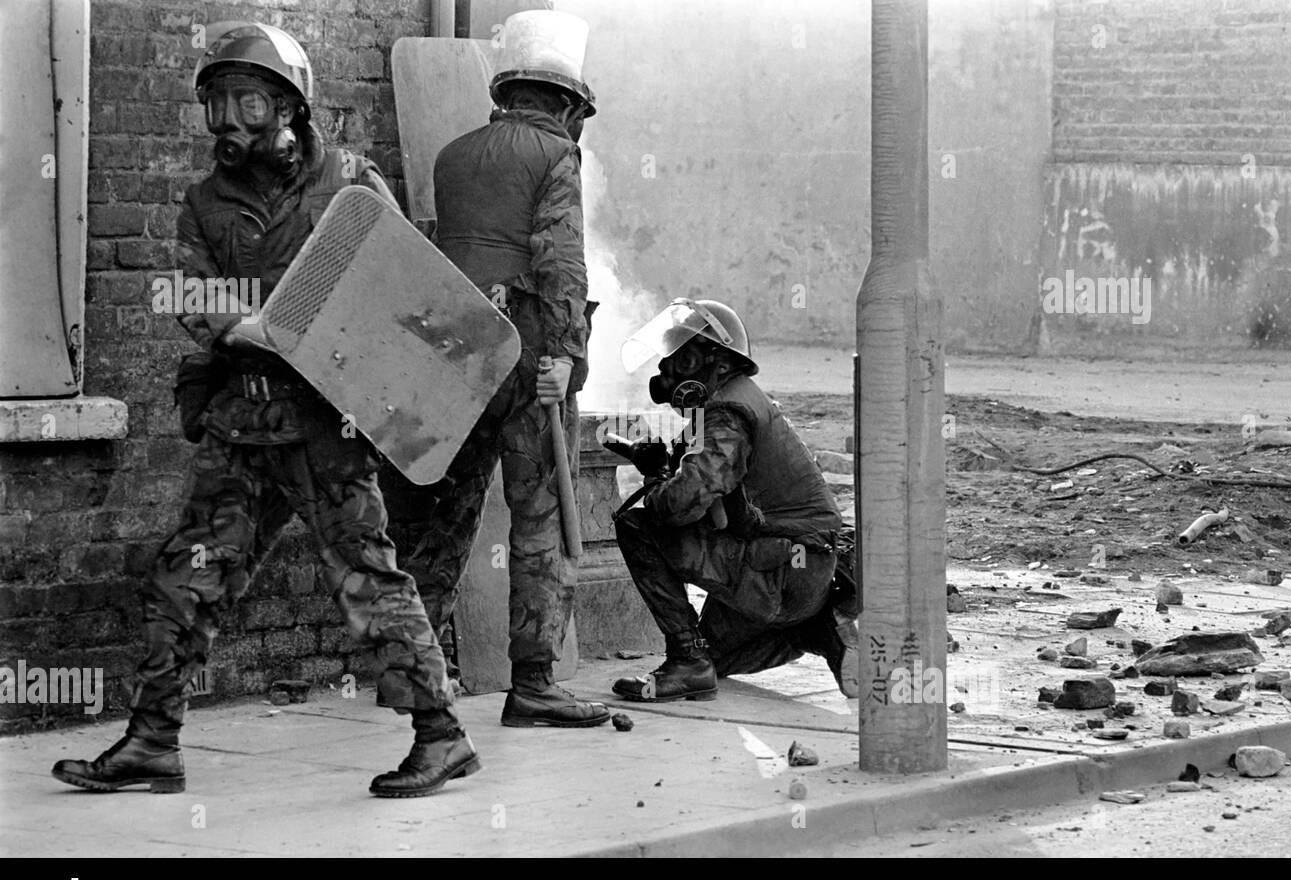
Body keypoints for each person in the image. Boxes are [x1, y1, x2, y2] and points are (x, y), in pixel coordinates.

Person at [52, 22, 476, 799]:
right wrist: (249, 328)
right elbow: (192, 297)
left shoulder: (349, 183)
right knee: (185, 579)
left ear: (289, 105)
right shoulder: (205, 206)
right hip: (242, 429)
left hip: (324, 429)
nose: (230, 124)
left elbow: (404, 286)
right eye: (216, 105)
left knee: (369, 582)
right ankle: (152, 742)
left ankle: (442, 737)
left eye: (247, 102)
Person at [409, 11, 609, 727]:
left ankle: (413, 672)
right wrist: (566, 358)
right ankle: (534, 685)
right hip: (525, 359)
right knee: (541, 521)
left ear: (509, 91)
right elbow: (559, 267)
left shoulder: (453, 154)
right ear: (566, 104)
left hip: (455, 353)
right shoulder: (557, 157)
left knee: (444, 510)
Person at [610, 298, 858, 701]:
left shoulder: (727, 412)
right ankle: (821, 631)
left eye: (683, 359)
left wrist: (657, 480)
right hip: (800, 569)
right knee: (717, 659)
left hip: (782, 570)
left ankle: (686, 660)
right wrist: (662, 462)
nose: (667, 372)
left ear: (719, 363)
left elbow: (681, 504)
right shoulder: (733, 403)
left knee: (638, 527)